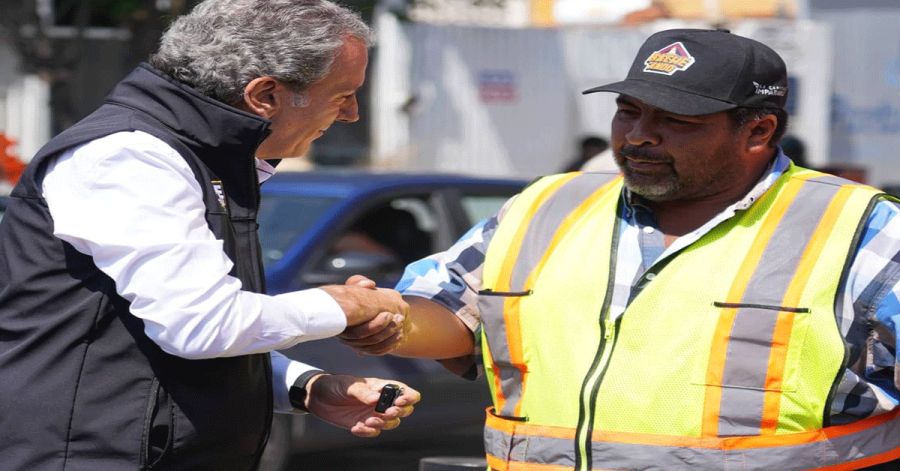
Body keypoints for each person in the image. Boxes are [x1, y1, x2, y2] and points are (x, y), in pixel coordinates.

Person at [340, 29, 900, 469]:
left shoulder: (861, 227)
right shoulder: (547, 205)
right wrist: (382, 317)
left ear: (757, 132)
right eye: (628, 111)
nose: (637, 136)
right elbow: (452, 314)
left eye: (674, 121)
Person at [0, 1, 418, 470]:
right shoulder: (129, 156)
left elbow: (156, 342)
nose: (352, 115)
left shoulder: (203, 159)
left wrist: (306, 386)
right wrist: (343, 305)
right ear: (265, 95)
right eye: (342, 94)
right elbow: (200, 326)